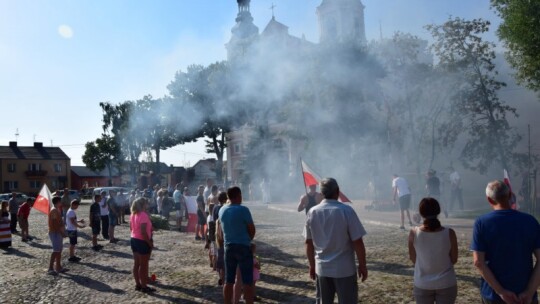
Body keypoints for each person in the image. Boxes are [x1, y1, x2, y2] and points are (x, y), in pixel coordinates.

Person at [471, 180, 540, 304]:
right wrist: (529, 292)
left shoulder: (482, 223)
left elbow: (478, 262)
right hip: (525, 295)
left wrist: (501, 291)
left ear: (490, 200)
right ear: (509, 196)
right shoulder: (530, 221)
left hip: (493, 295)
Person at [305, 177, 368, 304]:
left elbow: (309, 243)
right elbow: (357, 242)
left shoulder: (312, 212)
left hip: (322, 268)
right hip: (344, 268)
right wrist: (362, 265)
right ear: (337, 191)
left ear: (321, 193)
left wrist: (312, 265)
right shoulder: (346, 211)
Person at [408, 198, 458, 303]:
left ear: (421, 213)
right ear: (438, 212)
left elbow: (413, 259)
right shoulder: (450, 233)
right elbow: (454, 259)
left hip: (423, 283)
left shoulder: (413, 233)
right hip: (446, 282)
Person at [217, 186, 256, 304]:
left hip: (228, 246)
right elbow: (251, 229)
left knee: (229, 281)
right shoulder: (243, 210)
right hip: (243, 246)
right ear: (239, 196)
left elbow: (220, 231)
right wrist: (249, 239)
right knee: (247, 281)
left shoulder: (222, 210)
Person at [130, 197, 155, 293]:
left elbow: (131, 228)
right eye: (146, 203)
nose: (147, 205)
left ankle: (138, 284)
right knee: (143, 265)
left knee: (137, 264)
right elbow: (143, 232)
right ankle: (144, 287)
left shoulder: (133, 214)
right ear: (143, 204)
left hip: (134, 239)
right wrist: (149, 243)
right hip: (142, 241)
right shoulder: (143, 215)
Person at [48, 196, 67, 275]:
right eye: (60, 201)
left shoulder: (57, 210)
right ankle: (50, 268)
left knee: (59, 250)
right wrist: (62, 233)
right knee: (56, 251)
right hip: (55, 232)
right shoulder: (54, 210)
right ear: (57, 202)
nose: (61, 202)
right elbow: (55, 223)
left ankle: (58, 267)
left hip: (57, 232)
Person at [214, 191, 228, 286]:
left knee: (219, 256)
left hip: (217, 233)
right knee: (224, 258)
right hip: (223, 234)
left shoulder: (215, 207)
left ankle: (221, 277)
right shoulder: (224, 208)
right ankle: (224, 279)